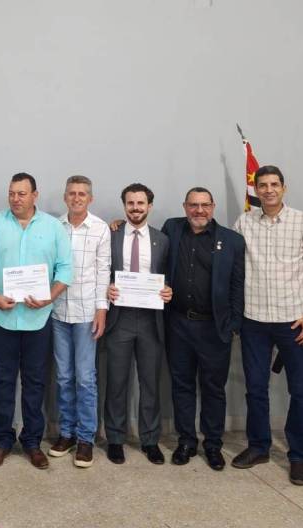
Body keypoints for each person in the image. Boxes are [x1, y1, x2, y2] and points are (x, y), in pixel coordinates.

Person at [232, 165, 303, 486]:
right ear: (256, 190)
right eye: (263, 185)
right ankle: (258, 446)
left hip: (294, 321)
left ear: (284, 188)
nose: (269, 190)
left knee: (299, 390)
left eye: (274, 184)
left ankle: (300, 456)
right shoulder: (244, 222)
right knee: (255, 388)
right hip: (254, 320)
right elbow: (233, 267)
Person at [0, 172, 73, 469]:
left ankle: (32, 442)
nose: (15, 199)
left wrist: (49, 297)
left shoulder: (53, 227)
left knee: (35, 382)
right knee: (2, 381)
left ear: (34, 195)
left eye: (22, 194)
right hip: (1, 316)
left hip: (38, 318)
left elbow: (65, 268)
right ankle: (2, 441)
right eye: (12, 193)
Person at [161, 187, 245, 471]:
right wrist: (118, 224)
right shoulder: (172, 229)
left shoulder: (232, 241)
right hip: (178, 324)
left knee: (213, 388)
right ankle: (186, 441)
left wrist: (234, 324)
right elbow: (146, 238)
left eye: (205, 205)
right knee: (182, 385)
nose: (199, 210)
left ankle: (213, 444)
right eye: (194, 205)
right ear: (185, 206)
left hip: (214, 327)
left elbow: (237, 284)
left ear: (213, 206)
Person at [104, 183, 170, 465]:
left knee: (150, 383)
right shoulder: (111, 234)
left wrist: (168, 289)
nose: (135, 208)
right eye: (130, 203)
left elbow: (168, 274)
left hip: (150, 320)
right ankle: (115, 439)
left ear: (149, 206)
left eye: (140, 203)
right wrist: (106, 288)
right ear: (124, 206)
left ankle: (150, 440)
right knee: (116, 382)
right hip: (119, 319)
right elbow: (100, 270)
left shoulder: (162, 240)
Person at [49, 176, 110, 468]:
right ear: (65, 197)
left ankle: (86, 438)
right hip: (57, 312)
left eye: (82, 194)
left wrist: (102, 310)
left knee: (85, 378)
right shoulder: (54, 226)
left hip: (87, 314)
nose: (76, 198)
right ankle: (67, 433)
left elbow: (103, 271)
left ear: (90, 198)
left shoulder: (100, 229)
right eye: (72, 193)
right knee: (63, 377)